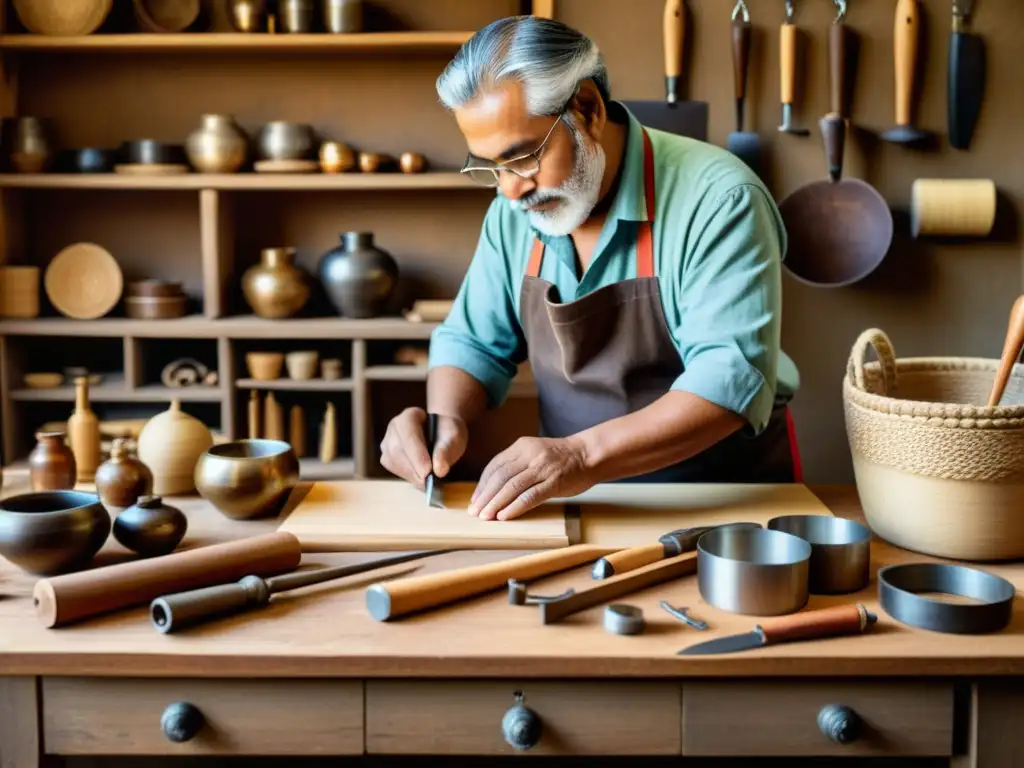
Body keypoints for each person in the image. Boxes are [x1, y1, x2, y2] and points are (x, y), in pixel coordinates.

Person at [379, 16, 801, 521]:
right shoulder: (515, 209)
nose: (509, 190)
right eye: (489, 167)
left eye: (523, 157)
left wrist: (579, 455)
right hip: (581, 502)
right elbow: (472, 341)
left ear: (587, 108)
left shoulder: (721, 199)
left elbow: (729, 378)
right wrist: (444, 419)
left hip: (720, 504)